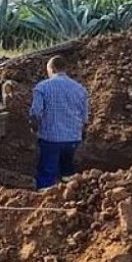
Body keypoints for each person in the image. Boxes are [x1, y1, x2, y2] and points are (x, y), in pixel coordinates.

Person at [30, 55, 89, 192]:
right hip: (73, 139)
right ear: (65, 69)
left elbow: (36, 114)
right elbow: (85, 118)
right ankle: (68, 195)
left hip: (51, 139)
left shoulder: (42, 87)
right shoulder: (80, 89)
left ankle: (45, 198)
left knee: (47, 171)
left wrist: (34, 129)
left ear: (52, 69)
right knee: (68, 171)